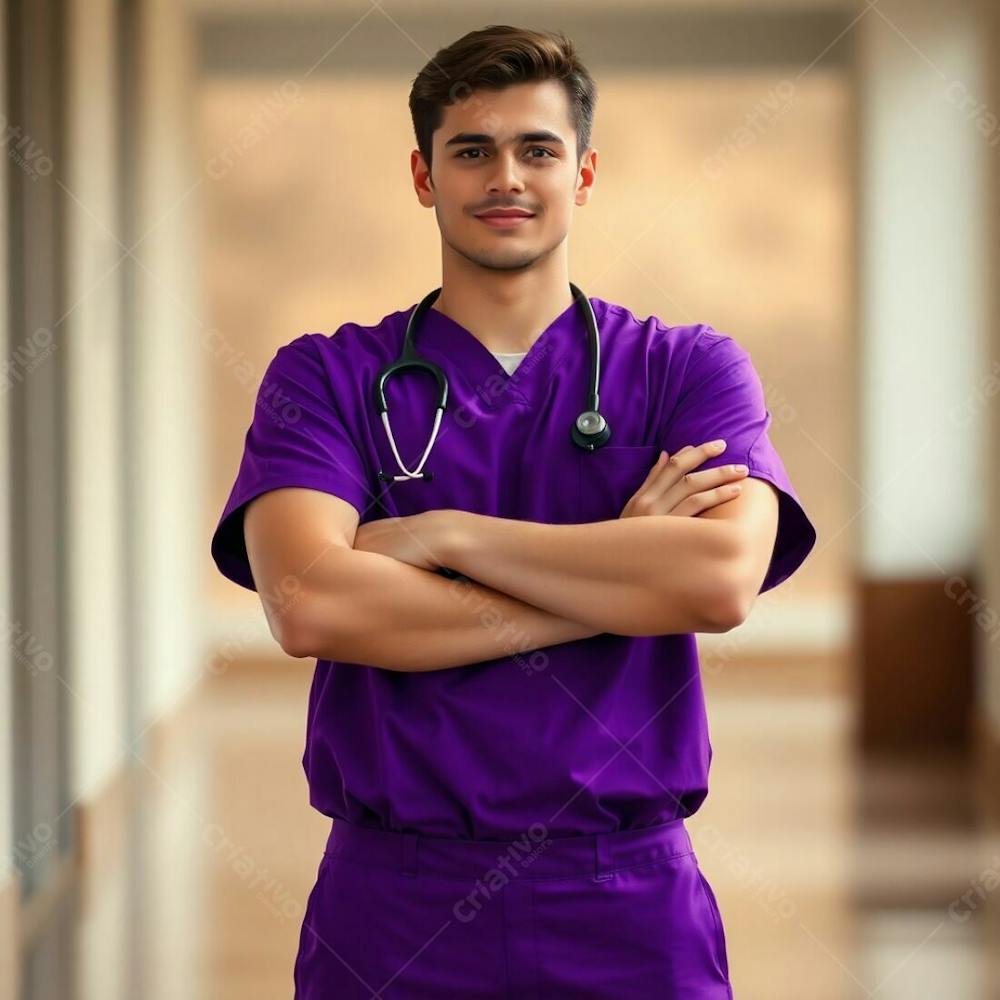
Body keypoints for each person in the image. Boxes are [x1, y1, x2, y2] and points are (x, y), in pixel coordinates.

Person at [210, 24, 817, 1000]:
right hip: (392, 901)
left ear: (582, 174)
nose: (507, 177)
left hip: (625, 896)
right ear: (423, 175)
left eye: (537, 149)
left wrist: (442, 537)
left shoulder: (687, 370)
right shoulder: (325, 378)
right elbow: (310, 603)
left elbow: (714, 583)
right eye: (471, 150)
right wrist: (621, 569)